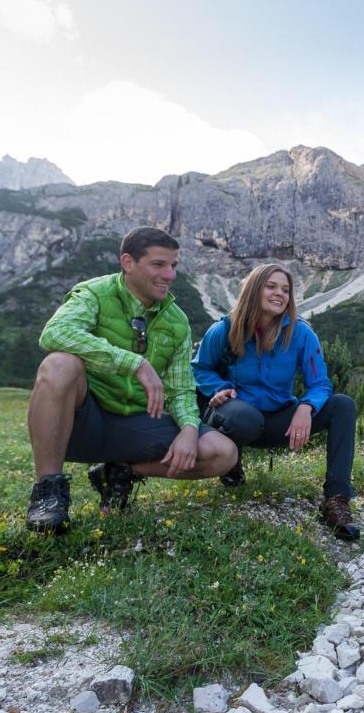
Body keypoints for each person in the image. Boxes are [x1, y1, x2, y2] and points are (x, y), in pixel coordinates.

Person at [25, 227, 239, 533]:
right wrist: (133, 362)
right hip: (86, 419)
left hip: (139, 422)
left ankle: (119, 472)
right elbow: (55, 333)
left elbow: (180, 390)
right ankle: (48, 492)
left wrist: (190, 429)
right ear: (128, 263)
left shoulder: (176, 320)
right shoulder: (95, 293)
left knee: (223, 453)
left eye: (173, 266)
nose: (170, 275)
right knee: (58, 364)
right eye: (158, 264)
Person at [191, 263, 359, 541]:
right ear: (254, 289)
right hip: (235, 416)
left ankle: (336, 500)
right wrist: (218, 387)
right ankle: (231, 462)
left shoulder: (302, 333)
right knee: (245, 417)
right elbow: (199, 368)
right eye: (271, 286)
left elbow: (320, 383)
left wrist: (306, 407)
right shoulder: (224, 328)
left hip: (279, 419)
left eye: (286, 289)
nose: (280, 294)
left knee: (343, 405)